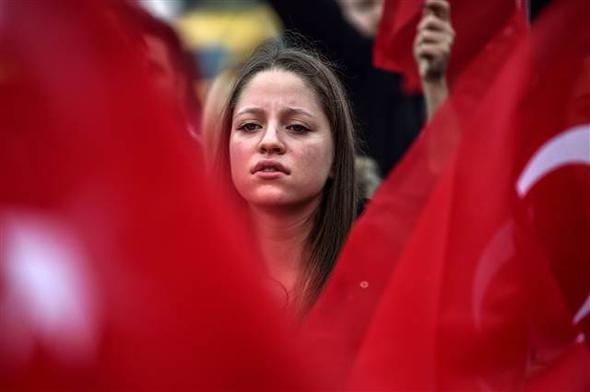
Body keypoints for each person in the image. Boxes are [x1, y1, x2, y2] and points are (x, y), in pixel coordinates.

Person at [208, 0, 454, 315]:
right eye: (250, 125)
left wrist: (434, 85)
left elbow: (449, 219)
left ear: (339, 155)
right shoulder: (186, 263)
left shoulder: (388, 257)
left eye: (297, 127)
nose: (270, 142)